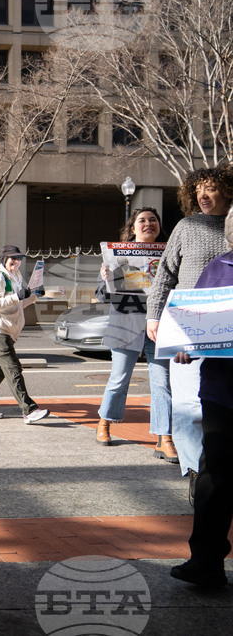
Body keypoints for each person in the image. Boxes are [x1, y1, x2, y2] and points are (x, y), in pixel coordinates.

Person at [147, 167, 233, 504]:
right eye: (198, 190)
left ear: (227, 191)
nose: (203, 195)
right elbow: (164, 277)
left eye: (211, 188)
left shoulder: (230, 227)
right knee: (185, 406)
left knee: (215, 406)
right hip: (188, 326)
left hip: (226, 332)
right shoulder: (186, 227)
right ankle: (196, 473)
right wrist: (154, 316)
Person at [170, 205, 233, 588]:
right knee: (215, 477)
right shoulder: (218, 268)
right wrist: (185, 344)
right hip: (222, 391)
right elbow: (194, 323)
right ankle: (206, 562)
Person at [94, 208, 173, 457]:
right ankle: (104, 422)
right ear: (133, 228)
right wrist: (107, 278)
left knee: (162, 383)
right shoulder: (117, 256)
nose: (148, 224)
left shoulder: (170, 254)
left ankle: (164, 436)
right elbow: (102, 295)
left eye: (153, 220)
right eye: (142, 220)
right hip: (126, 322)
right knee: (119, 378)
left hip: (160, 326)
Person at [0, 245, 50, 423]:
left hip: (9, 329)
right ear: (4, 260)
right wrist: (17, 296)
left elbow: (17, 304)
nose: (16, 261)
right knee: (13, 368)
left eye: (19, 258)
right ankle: (29, 410)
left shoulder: (15, 277)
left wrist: (34, 295)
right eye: (12, 258)